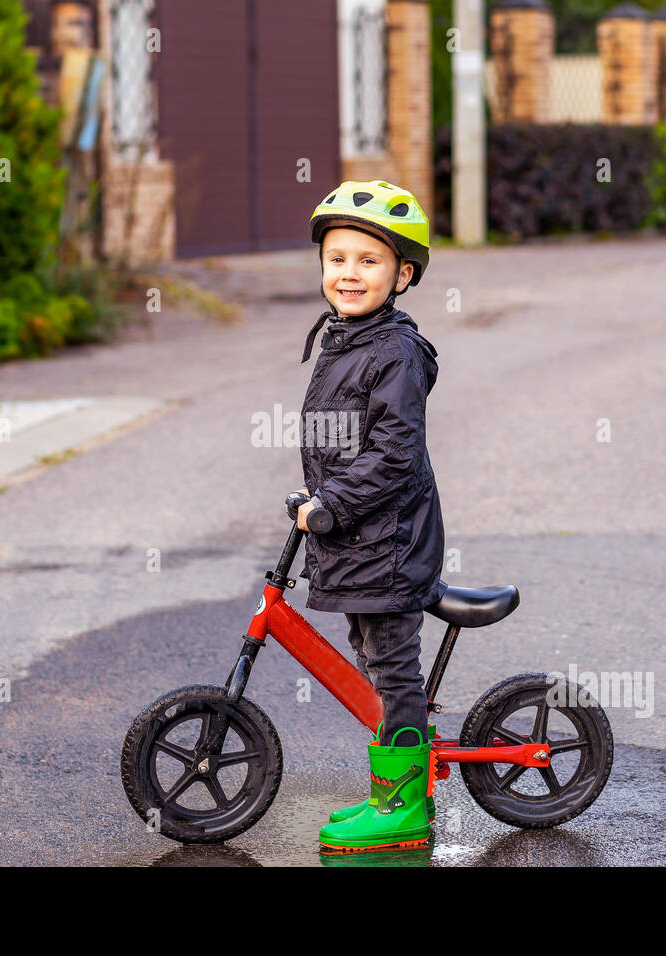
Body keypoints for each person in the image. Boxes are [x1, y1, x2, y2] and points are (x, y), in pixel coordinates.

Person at [293, 180, 448, 854]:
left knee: (391, 668)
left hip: (388, 542)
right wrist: (317, 499)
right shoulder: (348, 337)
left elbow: (393, 454)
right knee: (375, 657)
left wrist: (333, 502)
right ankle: (396, 786)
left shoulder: (394, 351)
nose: (348, 274)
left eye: (368, 260)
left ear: (402, 273)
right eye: (337, 259)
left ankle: (405, 803)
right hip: (361, 536)